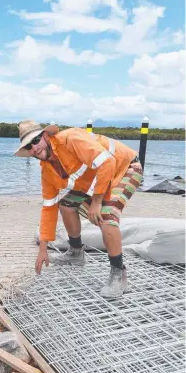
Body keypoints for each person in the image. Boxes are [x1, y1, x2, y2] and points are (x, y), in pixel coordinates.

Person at [15, 120, 143, 299]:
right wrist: (43, 249)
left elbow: (108, 162)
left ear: (45, 136)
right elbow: (48, 209)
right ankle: (76, 253)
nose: (34, 148)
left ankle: (118, 273)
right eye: (29, 146)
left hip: (125, 167)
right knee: (66, 206)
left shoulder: (71, 139)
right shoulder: (46, 170)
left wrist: (97, 202)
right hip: (95, 179)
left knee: (106, 216)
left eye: (35, 141)